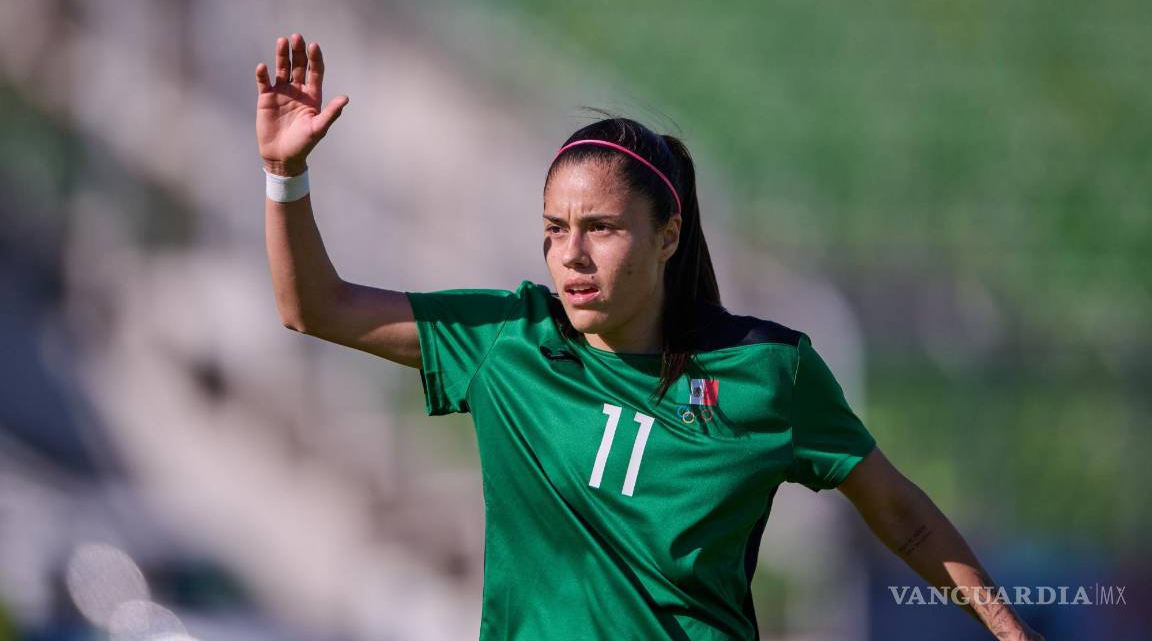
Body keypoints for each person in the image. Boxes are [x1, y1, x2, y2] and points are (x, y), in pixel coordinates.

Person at [255, 33, 1044, 641]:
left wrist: (1008, 629)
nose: (571, 252)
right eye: (554, 229)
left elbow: (901, 515)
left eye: (601, 228)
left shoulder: (767, 371)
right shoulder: (506, 340)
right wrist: (285, 176)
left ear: (668, 236)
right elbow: (314, 307)